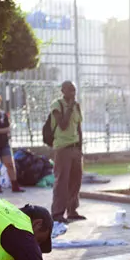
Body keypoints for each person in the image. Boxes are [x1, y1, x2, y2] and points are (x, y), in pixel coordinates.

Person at [50, 81, 85, 224]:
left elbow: (78, 128)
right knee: (62, 182)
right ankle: (57, 213)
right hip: (63, 148)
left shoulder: (77, 106)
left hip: (75, 148)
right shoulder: (57, 105)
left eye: (74, 90)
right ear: (62, 90)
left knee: (76, 180)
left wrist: (80, 149)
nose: (72, 92)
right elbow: (63, 125)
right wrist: (69, 107)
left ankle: (72, 210)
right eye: (69, 89)